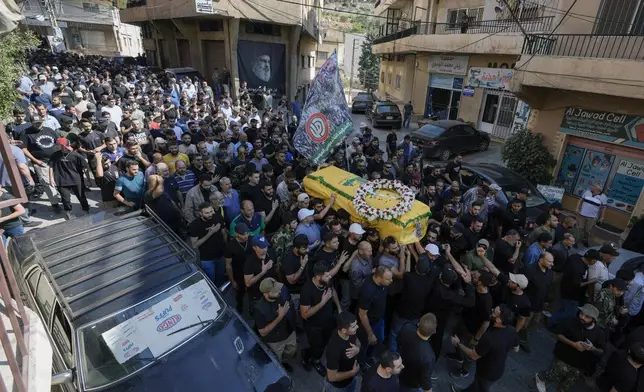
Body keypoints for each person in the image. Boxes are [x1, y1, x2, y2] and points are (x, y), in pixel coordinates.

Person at [535, 304, 606, 392]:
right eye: (581, 314)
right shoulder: (571, 321)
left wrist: (592, 348)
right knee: (554, 374)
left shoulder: (599, 333)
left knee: (566, 387)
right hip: (563, 356)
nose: (582, 317)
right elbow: (558, 335)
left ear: (593, 319)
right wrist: (573, 344)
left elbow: (601, 351)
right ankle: (541, 378)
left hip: (579, 365)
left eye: (587, 316)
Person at [450, 305, 520, 392]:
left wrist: (458, 343)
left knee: (482, 387)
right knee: (477, 385)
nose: (491, 310)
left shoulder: (490, 338)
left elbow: (473, 355)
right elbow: (516, 348)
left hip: (486, 372)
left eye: (494, 312)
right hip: (498, 369)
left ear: (498, 320)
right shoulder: (512, 330)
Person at [300, 261, 340, 376]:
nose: (329, 276)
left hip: (328, 321)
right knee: (316, 347)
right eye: (327, 275)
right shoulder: (307, 290)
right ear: (318, 276)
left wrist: (339, 307)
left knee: (323, 344)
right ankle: (312, 359)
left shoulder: (326, 281)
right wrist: (323, 302)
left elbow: (332, 291)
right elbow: (305, 314)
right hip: (314, 326)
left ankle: (312, 354)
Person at [254, 277, 296, 372]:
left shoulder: (279, 295)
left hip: (288, 332)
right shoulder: (260, 309)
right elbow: (263, 332)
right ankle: (280, 369)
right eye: (274, 291)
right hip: (275, 341)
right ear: (266, 293)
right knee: (276, 359)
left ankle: (284, 362)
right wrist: (279, 317)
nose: (278, 292)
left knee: (291, 350)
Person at [49, 138, 90, 219]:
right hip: (61, 180)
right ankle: (68, 211)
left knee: (81, 196)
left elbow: (85, 167)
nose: (56, 146)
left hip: (75, 179)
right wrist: (51, 179)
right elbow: (51, 166)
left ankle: (86, 210)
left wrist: (87, 179)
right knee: (65, 199)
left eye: (57, 145)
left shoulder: (76, 155)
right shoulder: (55, 155)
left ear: (63, 146)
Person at [358, 266, 394, 358]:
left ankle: (369, 356)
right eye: (388, 279)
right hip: (370, 322)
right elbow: (362, 314)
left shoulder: (381, 283)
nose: (391, 281)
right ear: (379, 278)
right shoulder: (368, 291)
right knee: (365, 344)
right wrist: (370, 334)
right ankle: (362, 362)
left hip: (379, 318)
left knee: (379, 339)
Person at [397, 313, 438, 392]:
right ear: (434, 331)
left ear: (419, 323)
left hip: (400, 371)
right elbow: (425, 381)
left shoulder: (407, 328)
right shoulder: (429, 357)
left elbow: (398, 341)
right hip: (412, 384)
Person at [189, 202, 227, 286]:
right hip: (207, 259)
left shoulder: (217, 216)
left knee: (220, 277)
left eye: (211, 211)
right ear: (200, 213)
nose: (210, 214)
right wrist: (210, 233)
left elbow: (224, 232)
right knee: (210, 280)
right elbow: (194, 245)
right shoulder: (195, 225)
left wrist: (226, 247)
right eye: (207, 213)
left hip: (221, 254)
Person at [325, 312, 361, 392]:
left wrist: (357, 349)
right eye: (354, 326)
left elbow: (358, 342)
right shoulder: (333, 349)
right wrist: (353, 372)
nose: (357, 327)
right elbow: (332, 377)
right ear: (344, 330)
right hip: (337, 388)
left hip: (351, 380)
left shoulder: (351, 333)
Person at [244, 235, 278, 314]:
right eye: (262, 247)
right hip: (257, 294)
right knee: (259, 314)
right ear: (254, 247)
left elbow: (276, 269)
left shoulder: (271, 253)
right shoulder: (249, 262)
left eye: (265, 246)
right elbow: (248, 283)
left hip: (271, 290)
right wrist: (263, 272)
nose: (265, 249)